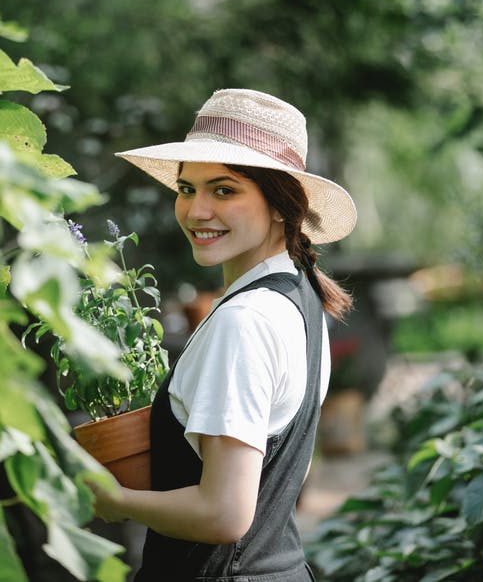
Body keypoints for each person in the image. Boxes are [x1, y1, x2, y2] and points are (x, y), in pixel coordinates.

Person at [91, 88, 357, 582]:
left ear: (281, 204)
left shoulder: (245, 321)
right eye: (187, 188)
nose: (196, 212)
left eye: (225, 190)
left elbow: (225, 514)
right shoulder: (299, 299)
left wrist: (117, 500)